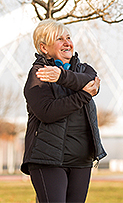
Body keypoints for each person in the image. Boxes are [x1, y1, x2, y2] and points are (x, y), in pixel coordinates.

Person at [21, 19, 107, 203]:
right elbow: (47, 112)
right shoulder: (39, 74)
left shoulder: (85, 69)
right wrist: (83, 95)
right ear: (44, 47)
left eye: (68, 37)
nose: (67, 42)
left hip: (81, 160)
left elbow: (93, 83)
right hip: (48, 160)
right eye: (59, 38)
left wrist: (61, 76)